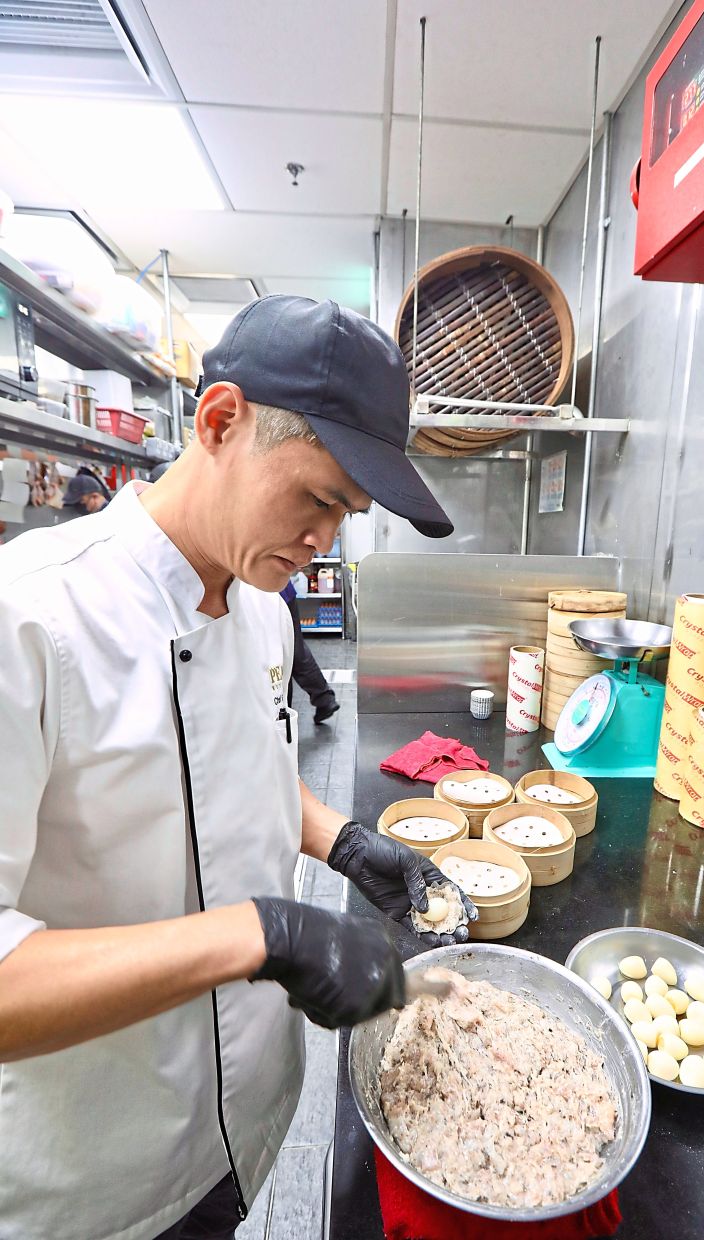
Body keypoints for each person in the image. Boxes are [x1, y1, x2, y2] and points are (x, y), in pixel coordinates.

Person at [0, 296, 476, 1240]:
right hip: (102, 1171)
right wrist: (261, 936)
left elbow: (228, 769)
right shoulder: (35, 618)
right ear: (220, 421)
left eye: (348, 515)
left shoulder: (262, 603)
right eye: (319, 499)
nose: (323, 543)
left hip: (243, 1125)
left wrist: (341, 840)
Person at [280, 577, 340, 723]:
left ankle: (283, 716)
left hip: (272, 595)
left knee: (284, 655)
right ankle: (323, 699)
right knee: (293, 649)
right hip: (281, 590)